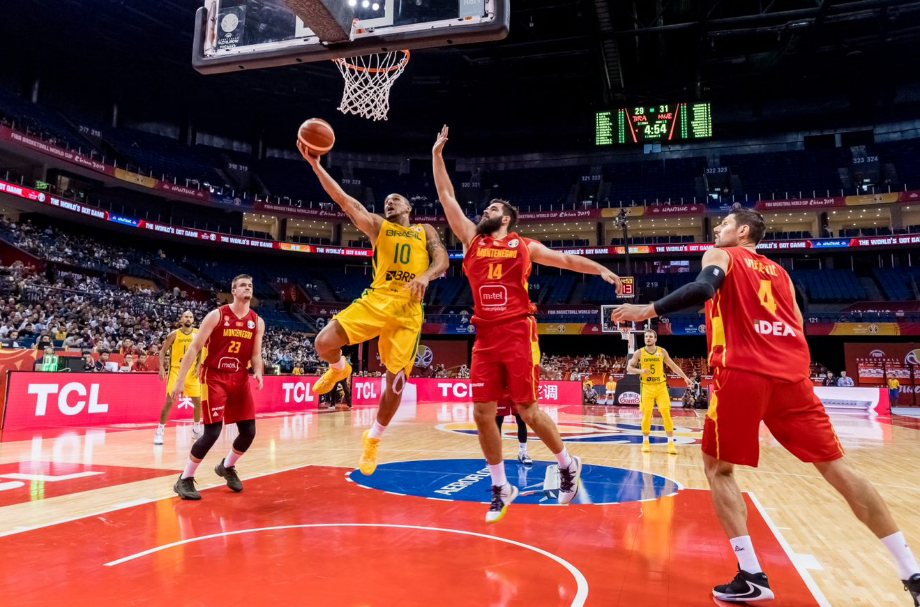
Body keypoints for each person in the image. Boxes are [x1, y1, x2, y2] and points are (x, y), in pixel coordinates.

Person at [611, 207, 920, 604]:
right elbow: (796, 319)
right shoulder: (783, 275)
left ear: (741, 232)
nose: (717, 231)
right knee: (837, 467)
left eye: (722, 225)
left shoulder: (721, 256)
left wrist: (647, 310)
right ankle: (910, 569)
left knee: (718, 469)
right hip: (793, 375)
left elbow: (704, 288)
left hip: (742, 371)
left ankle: (751, 573)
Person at [433, 125, 622, 522]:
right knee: (483, 413)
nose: (485, 211)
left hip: (519, 331)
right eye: (485, 209)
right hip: (484, 335)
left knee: (528, 409)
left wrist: (601, 269)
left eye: (493, 210)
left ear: (508, 219)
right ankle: (501, 485)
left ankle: (568, 464)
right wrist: (437, 156)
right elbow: (447, 197)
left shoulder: (525, 246)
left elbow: (568, 261)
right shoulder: (471, 240)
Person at [299, 141, 448, 475]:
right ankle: (339, 368)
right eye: (385, 201)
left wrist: (425, 275)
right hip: (377, 299)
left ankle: (374, 439)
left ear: (409, 206)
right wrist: (316, 166)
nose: (389, 202)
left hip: (408, 311)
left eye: (395, 199)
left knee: (395, 383)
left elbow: (441, 259)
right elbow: (344, 200)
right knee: (323, 342)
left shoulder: (425, 231)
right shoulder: (379, 226)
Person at [169, 275, 265, 500]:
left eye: (250, 285)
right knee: (212, 432)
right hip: (214, 377)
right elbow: (194, 348)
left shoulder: (257, 321)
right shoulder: (217, 315)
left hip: (240, 378)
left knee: (249, 432)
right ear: (233, 290)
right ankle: (184, 479)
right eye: (242, 285)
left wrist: (258, 371)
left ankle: (227, 466)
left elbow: (256, 354)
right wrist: (180, 380)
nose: (247, 288)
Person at [625, 329, 691, 455]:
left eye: (650, 336)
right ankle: (645, 442)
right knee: (647, 414)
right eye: (646, 336)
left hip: (661, 386)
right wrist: (640, 371)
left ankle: (671, 443)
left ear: (655, 339)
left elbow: (672, 365)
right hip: (646, 387)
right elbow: (629, 367)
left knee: (666, 413)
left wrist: (685, 377)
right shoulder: (639, 353)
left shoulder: (662, 351)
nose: (648, 338)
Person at [155, 311, 204, 445]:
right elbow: (163, 351)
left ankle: (196, 429)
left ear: (193, 319)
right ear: (181, 319)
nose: (188, 319)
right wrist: (161, 367)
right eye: (186, 316)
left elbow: (200, 351)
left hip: (191, 372)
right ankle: (159, 431)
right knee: (170, 401)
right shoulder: (174, 334)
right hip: (176, 371)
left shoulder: (197, 333)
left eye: (190, 317)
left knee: (198, 401)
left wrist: (198, 366)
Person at [495, 396, 531, 466]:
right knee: (498, 421)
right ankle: (495, 454)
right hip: (502, 389)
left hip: (516, 389)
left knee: (521, 420)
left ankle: (522, 452)